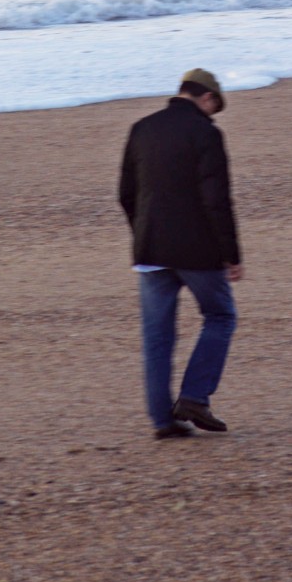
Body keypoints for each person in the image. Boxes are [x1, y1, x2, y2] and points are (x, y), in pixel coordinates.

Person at [118, 66, 243, 439]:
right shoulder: (206, 133)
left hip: (150, 249)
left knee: (157, 337)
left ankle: (162, 421)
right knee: (220, 315)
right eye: (214, 106)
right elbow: (216, 200)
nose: (213, 113)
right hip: (197, 250)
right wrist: (231, 253)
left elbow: (125, 194)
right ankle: (193, 397)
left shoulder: (141, 128)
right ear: (206, 97)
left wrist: (143, 234)